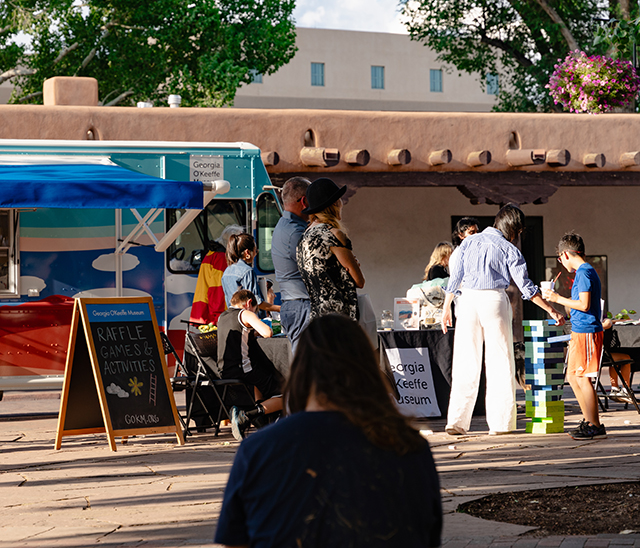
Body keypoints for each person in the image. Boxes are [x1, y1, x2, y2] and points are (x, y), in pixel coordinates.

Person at [214, 313, 442, 548]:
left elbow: (234, 541)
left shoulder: (258, 449)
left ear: (301, 372)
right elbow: (426, 534)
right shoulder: (409, 445)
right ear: (368, 369)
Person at [442, 204, 562, 436]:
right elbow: (526, 288)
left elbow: (455, 277)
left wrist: (446, 307)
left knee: (465, 361)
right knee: (500, 361)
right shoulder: (509, 248)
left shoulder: (468, 242)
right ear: (514, 230)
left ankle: (456, 420)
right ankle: (500, 424)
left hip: (466, 301)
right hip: (493, 300)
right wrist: (551, 310)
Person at [543, 233, 606, 440]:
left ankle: (595, 424)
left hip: (587, 331)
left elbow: (585, 305)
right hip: (579, 330)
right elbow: (580, 304)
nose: (561, 264)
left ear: (564, 254)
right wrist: (565, 305)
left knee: (583, 377)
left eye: (560, 259)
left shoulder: (584, 272)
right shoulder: (584, 272)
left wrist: (557, 298)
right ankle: (588, 420)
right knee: (572, 376)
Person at [218, 289, 285, 441]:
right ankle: (248, 415)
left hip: (225, 370)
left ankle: (263, 426)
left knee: (259, 388)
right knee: (287, 393)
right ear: (249, 303)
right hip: (244, 369)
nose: (255, 312)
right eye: (255, 309)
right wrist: (268, 323)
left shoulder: (223, 316)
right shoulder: (245, 313)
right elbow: (267, 332)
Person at [296, 178, 364, 320]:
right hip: (339, 317)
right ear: (334, 203)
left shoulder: (304, 237)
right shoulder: (334, 235)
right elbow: (359, 281)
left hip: (316, 316)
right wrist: (349, 270)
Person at [270, 176, 312, 351]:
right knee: (308, 366)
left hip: (293, 303)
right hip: (302, 304)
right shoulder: (295, 231)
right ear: (304, 201)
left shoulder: (283, 225)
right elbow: (313, 266)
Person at [189, 224, 246, 326]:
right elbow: (218, 291)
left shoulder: (212, 255)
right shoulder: (221, 259)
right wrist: (219, 318)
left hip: (208, 313)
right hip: (216, 317)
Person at [221, 233, 281, 318]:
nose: (256, 254)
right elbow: (257, 302)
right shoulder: (247, 271)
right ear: (247, 253)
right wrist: (280, 308)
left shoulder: (227, 272)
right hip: (250, 320)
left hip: (234, 318)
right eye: (256, 251)